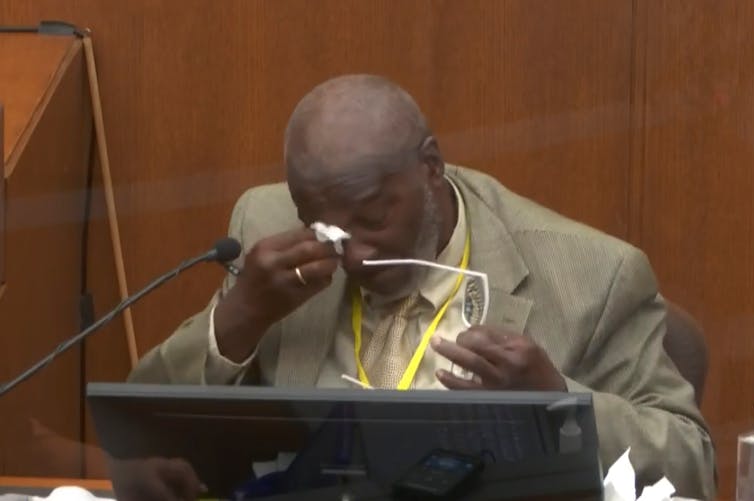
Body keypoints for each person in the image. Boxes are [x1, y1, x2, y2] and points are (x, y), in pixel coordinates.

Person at [129, 74, 716, 498]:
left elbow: (692, 463)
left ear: (431, 168)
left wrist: (555, 402)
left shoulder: (592, 274)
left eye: (374, 220)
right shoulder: (264, 224)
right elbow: (138, 436)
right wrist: (238, 321)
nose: (354, 255)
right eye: (327, 228)